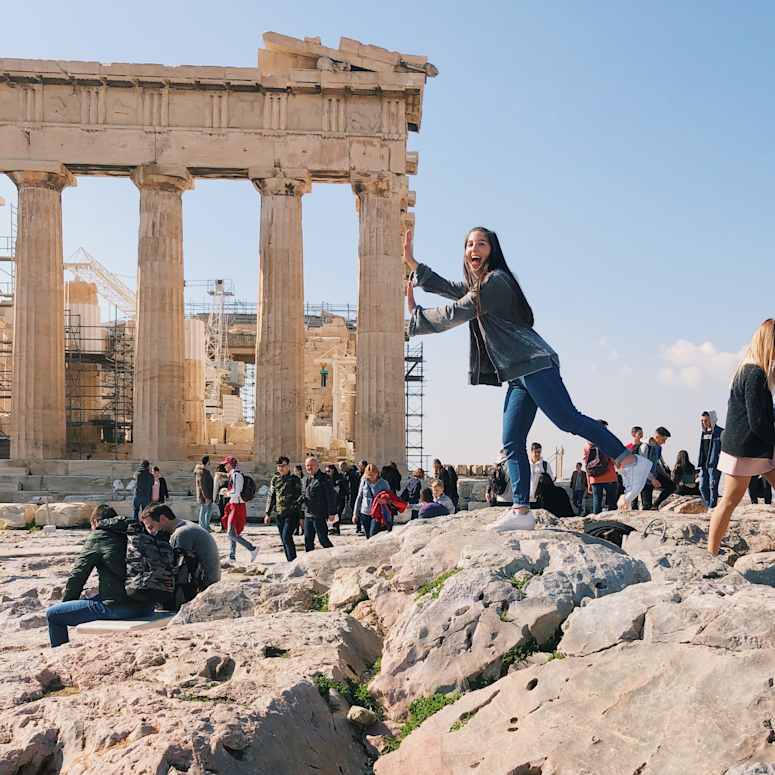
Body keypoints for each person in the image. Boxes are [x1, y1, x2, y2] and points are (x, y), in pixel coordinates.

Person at [404, 226, 653, 532]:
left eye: (481, 243)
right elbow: (457, 290)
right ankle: (521, 509)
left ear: (492, 251)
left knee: (568, 420)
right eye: (469, 244)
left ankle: (628, 461)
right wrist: (415, 265)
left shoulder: (496, 282)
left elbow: (460, 309)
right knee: (511, 441)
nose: (473, 248)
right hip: (518, 373)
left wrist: (417, 317)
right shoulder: (481, 286)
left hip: (534, 363)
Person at [709, 320, 775, 555]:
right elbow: (757, 420)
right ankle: (711, 552)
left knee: (727, 502)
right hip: (748, 449)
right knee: (728, 502)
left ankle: (712, 552)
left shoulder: (745, 370)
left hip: (745, 447)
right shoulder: (755, 373)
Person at [45, 505, 154, 647]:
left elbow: (78, 576)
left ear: (96, 522)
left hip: (119, 607)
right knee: (92, 599)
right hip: (146, 605)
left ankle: (59, 655)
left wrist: (68, 603)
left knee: (53, 615)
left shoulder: (99, 535)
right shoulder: (136, 533)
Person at [140, 503, 221, 589]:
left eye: (151, 527)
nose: (151, 532)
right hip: (211, 581)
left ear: (163, 519)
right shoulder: (186, 525)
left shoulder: (181, 534)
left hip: (205, 586)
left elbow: (178, 571)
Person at [265, 456, 303, 561]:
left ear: (288, 466)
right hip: (279, 514)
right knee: (283, 539)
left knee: (287, 537)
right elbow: (271, 496)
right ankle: (289, 560)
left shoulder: (295, 479)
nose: (281, 468)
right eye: (279, 466)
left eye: (284, 466)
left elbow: (300, 497)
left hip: (292, 514)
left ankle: (293, 560)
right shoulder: (275, 479)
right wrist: (267, 513)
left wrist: (301, 516)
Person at [221, 456, 258, 563]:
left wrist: (225, 493)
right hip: (233, 505)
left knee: (231, 534)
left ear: (230, 464)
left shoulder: (236, 475)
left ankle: (252, 548)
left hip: (237, 506)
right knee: (232, 532)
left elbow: (236, 492)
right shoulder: (233, 475)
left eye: (226, 464)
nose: (224, 466)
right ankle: (232, 556)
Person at [583, 422, 619, 514]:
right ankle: (612, 523)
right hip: (609, 476)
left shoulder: (587, 445)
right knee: (612, 503)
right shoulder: (607, 442)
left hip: (594, 478)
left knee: (597, 502)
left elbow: (586, 465)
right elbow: (614, 458)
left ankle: (596, 523)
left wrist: (589, 482)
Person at [302, 457, 337, 550]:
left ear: (317, 466)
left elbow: (331, 496)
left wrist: (332, 513)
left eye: (311, 465)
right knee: (307, 539)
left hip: (319, 514)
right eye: (307, 466)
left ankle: (333, 556)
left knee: (322, 539)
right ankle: (309, 560)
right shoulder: (306, 479)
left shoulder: (324, 479)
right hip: (308, 514)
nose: (309, 468)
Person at [640, 428, 677, 510]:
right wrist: (652, 479)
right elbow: (642, 467)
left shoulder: (659, 448)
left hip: (654, 475)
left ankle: (655, 505)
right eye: (663, 439)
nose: (664, 442)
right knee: (646, 507)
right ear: (657, 436)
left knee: (672, 486)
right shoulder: (645, 446)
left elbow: (657, 464)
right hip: (644, 479)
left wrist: (666, 476)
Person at [353, 464, 391, 538]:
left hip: (377, 512)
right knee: (368, 536)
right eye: (369, 475)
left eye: (373, 475)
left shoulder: (384, 483)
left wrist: (384, 500)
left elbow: (390, 497)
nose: (371, 477)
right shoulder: (364, 481)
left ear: (377, 473)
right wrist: (355, 513)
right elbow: (359, 497)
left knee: (373, 535)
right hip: (365, 512)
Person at [697, 410, 723, 508]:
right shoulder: (703, 433)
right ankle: (709, 505)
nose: (704, 422)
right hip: (704, 464)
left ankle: (713, 506)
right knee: (702, 487)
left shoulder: (720, 432)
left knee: (713, 486)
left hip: (715, 464)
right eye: (702, 421)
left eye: (706, 420)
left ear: (712, 420)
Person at [626, 426, 647, 509]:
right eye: (639, 433)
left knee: (643, 490)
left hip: (641, 471)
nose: (642, 435)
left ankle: (644, 507)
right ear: (633, 434)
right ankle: (633, 508)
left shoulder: (644, 446)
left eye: (642, 433)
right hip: (631, 471)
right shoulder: (628, 446)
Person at [528, 443, 554, 508]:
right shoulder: (526, 464)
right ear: (531, 452)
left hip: (541, 499)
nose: (537, 454)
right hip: (526, 499)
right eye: (535, 452)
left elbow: (551, 479)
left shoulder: (545, 465)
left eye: (539, 452)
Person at [194, 456, 214, 532]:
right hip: (205, 495)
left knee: (208, 510)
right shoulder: (202, 472)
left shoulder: (206, 471)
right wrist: (206, 497)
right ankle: (202, 526)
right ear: (207, 462)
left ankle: (206, 526)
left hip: (209, 494)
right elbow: (202, 485)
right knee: (204, 510)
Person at [325, 463, 345, 535]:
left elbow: (342, 488)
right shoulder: (326, 479)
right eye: (326, 471)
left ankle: (336, 528)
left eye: (329, 471)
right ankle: (332, 528)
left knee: (337, 514)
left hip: (339, 499)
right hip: (330, 500)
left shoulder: (339, 477)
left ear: (333, 470)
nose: (327, 473)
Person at [213, 463, 229, 528]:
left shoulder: (218, 476)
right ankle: (228, 526)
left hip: (222, 496)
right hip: (229, 496)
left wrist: (214, 499)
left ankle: (223, 527)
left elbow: (215, 488)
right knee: (228, 512)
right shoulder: (229, 475)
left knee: (222, 513)